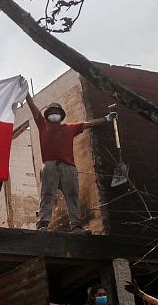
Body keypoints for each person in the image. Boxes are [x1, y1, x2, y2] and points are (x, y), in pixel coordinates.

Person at [25, 92, 117, 233]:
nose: (54, 114)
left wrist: (106, 119)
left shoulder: (70, 128)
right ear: (48, 114)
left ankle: (76, 226)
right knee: (48, 194)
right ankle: (42, 225)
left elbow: (89, 124)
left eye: (57, 112)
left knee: (72, 195)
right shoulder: (43, 124)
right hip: (50, 166)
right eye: (52, 112)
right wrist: (26, 93)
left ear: (61, 115)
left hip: (68, 167)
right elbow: (32, 107)